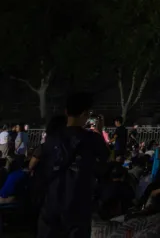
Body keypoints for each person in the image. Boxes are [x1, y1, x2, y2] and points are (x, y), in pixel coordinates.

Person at [36, 91, 110, 238]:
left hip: (51, 203)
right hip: (78, 205)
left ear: (66, 111)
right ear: (85, 114)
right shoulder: (92, 139)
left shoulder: (52, 139)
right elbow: (105, 158)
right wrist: (100, 130)